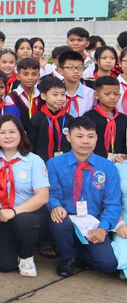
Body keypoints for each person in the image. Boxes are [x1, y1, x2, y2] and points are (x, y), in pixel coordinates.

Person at [47, 116, 120, 277]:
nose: (85, 141)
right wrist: (55, 205)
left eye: (90, 136)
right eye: (79, 136)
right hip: (67, 218)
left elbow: (113, 204)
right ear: (69, 137)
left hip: (92, 222)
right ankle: (67, 258)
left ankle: (79, 251)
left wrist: (103, 227)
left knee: (108, 265)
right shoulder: (54, 164)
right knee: (58, 220)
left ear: (96, 138)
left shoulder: (107, 167)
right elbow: (52, 194)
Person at [0, 115, 49, 276]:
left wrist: (14, 211)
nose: (8, 136)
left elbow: (43, 196)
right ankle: (12, 249)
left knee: (23, 221)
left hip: (28, 214)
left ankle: (27, 255)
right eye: (2, 133)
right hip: (0, 214)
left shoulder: (34, 160)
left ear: (21, 134)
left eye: (12, 132)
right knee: (4, 265)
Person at [27, 77, 73, 162]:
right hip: (42, 163)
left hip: (65, 162)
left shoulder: (69, 119)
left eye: (63, 94)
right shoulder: (36, 120)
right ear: (44, 96)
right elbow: (31, 145)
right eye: (55, 95)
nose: (60, 98)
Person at [83, 76, 127, 160]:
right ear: (96, 95)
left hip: (119, 162)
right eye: (107, 94)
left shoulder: (123, 119)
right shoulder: (89, 117)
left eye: (116, 94)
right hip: (95, 161)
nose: (112, 97)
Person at [57, 50, 95, 117]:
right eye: (71, 68)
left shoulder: (91, 94)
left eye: (80, 67)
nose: (76, 71)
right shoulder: (55, 93)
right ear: (61, 70)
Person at [10, 57, 41, 127]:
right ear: (18, 76)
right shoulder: (11, 98)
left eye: (34, 74)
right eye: (25, 74)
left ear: (39, 76)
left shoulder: (43, 95)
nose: (30, 78)